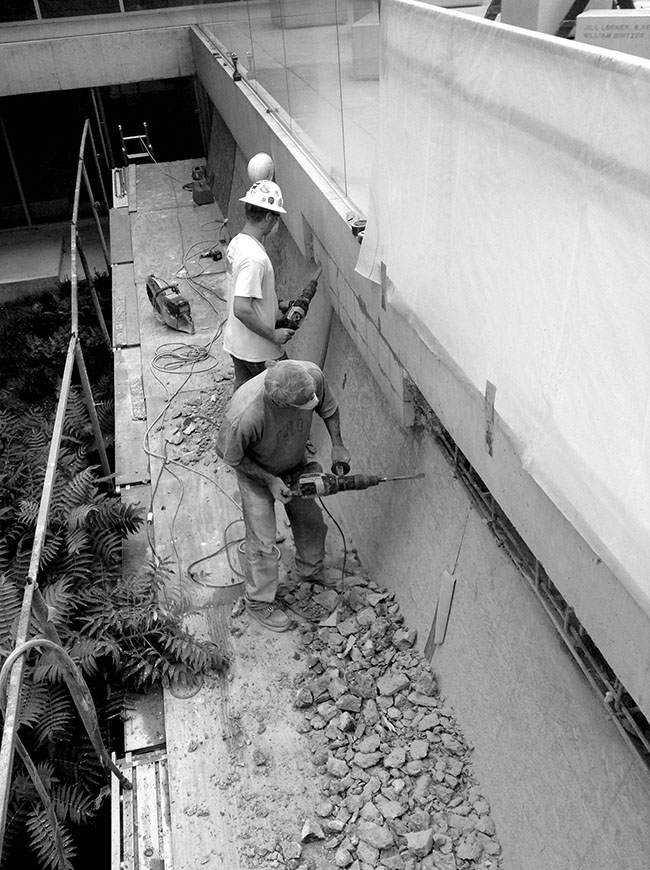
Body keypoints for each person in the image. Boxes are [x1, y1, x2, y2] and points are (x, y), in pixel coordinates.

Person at [216, 359, 351, 632]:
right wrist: (270, 481)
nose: (313, 398)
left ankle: (310, 572)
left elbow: (328, 407)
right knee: (263, 541)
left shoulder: (309, 376)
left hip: (294, 461)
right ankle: (258, 601)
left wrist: (338, 444)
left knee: (311, 521)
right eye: (305, 402)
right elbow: (232, 458)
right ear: (283, 405)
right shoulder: (244, 415)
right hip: (258, 475)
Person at [222, 180, 296, 390]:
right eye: (276, 218)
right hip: (259, 351)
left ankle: (238, 423)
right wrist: (273, 335)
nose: (276, 224)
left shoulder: (239, 242)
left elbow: (247, 291)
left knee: (245, 398)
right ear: (268, 217)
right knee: (289, 394)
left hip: (238, 344)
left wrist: (275, 305)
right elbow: (242, 309)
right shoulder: (256, 259)